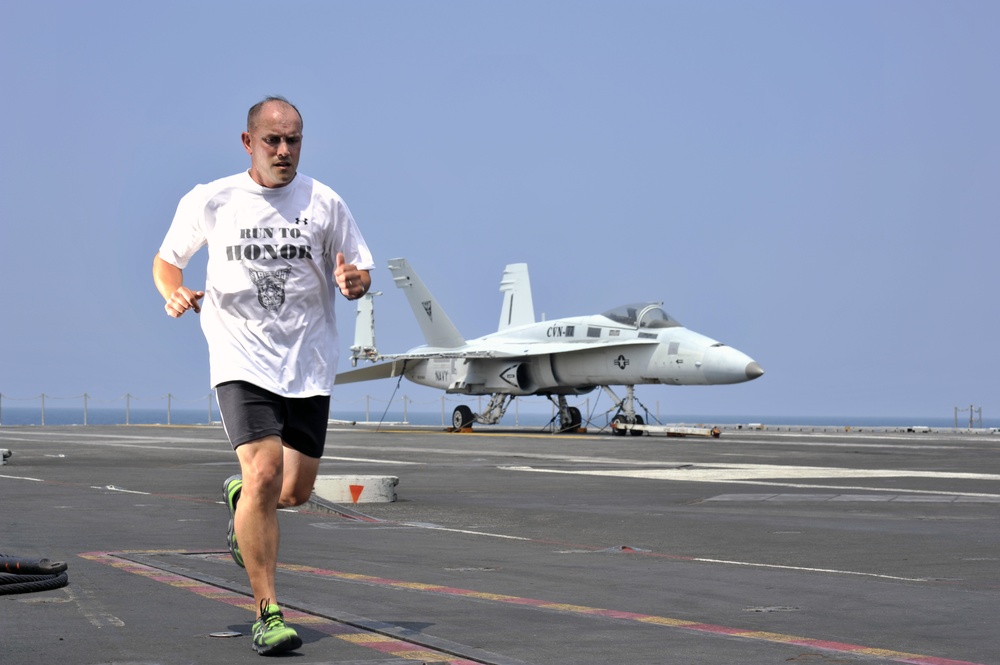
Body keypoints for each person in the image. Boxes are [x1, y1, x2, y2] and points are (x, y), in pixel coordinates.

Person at [152, 96, 374, 656]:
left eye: (293, 140)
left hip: (308, 364)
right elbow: (167, 259)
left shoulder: (324, 202)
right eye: (272, 140)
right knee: (265, 469)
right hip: (240, 358)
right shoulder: (213, 199)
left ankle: (243, 498)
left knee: (293, 492)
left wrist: (355, 283)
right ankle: (267, 612)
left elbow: (359, 268)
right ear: (248, 142)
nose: (283, 150)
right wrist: (173, 291)